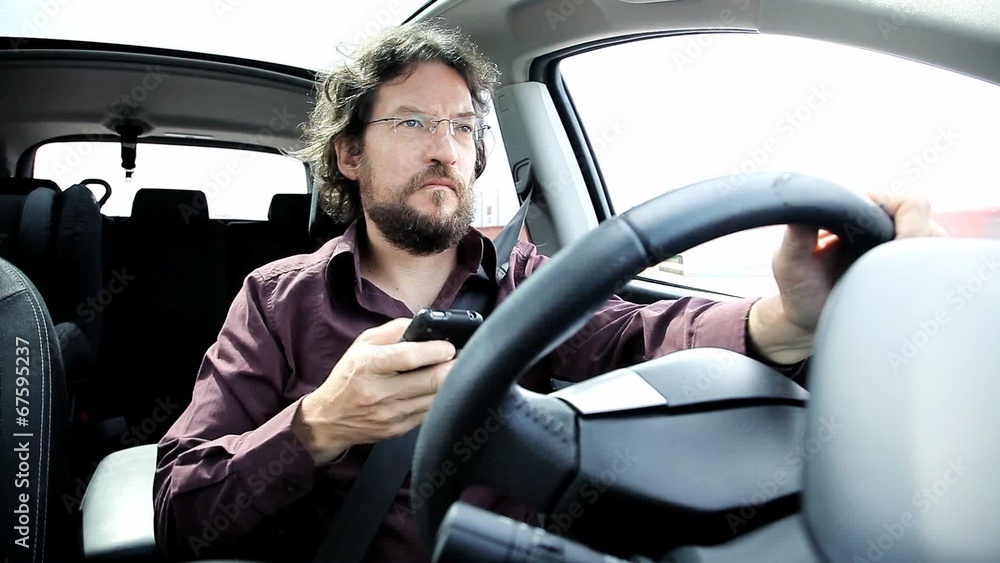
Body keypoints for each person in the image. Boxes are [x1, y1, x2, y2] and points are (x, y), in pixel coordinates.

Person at [152, 19, 945, 563]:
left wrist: (788, 316)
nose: (447, 149)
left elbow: (646, 336)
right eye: (413, 124)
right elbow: (180, 507)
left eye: (463, 126)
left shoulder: (527, 280)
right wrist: (320, 422)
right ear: (350, 155)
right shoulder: (277, 299)